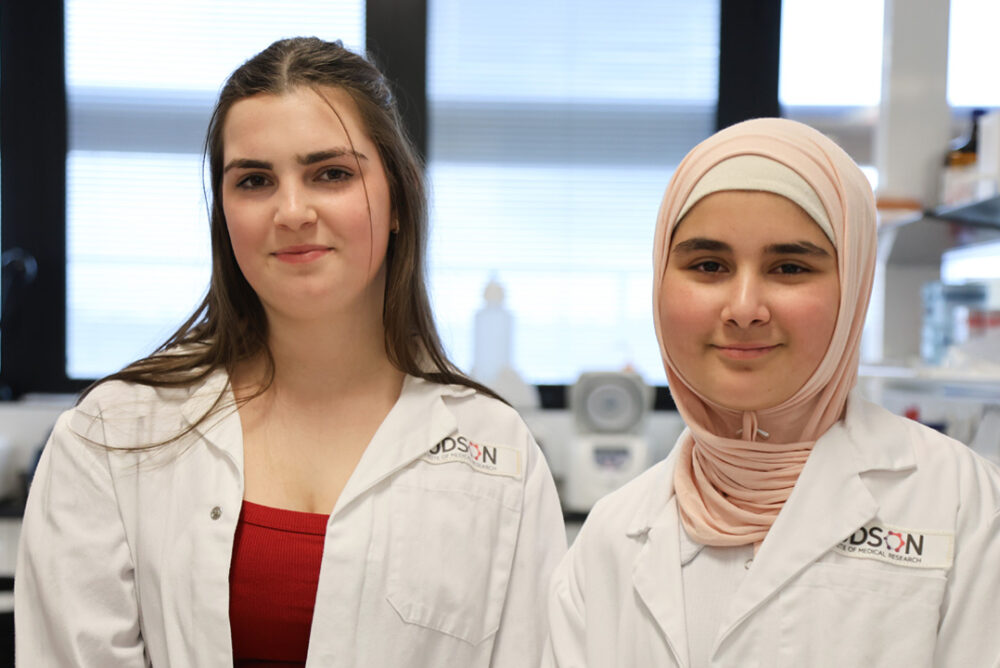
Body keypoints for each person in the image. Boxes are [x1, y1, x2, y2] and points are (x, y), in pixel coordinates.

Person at [16, 37, 566, 667]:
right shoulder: (112, 436)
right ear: (224, 213)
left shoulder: (497, 453)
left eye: (330, 173)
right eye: (253, 180)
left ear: (395, 201)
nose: (292, 211)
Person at [544, 117, 1000, 666]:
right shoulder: (612, 535)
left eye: (789, 267)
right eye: (708, 265)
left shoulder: (961, 503)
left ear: (854, 286)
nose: (742, 309)